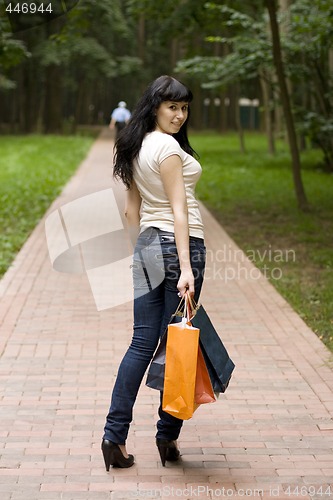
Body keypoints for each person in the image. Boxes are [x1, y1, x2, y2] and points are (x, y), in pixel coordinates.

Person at [102, 75, 206, 470]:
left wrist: (141, 253)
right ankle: (167, 438)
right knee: (179, 343)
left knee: (141, 343)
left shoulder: (133, 145)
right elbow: (180, 210)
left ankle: (114, 438)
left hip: (148, 244)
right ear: (155, 107)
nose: (179, 115)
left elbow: (132, 211)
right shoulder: (167, 149)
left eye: (183, 108)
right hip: (182, 247)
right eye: (172, 107)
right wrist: (184, 268)